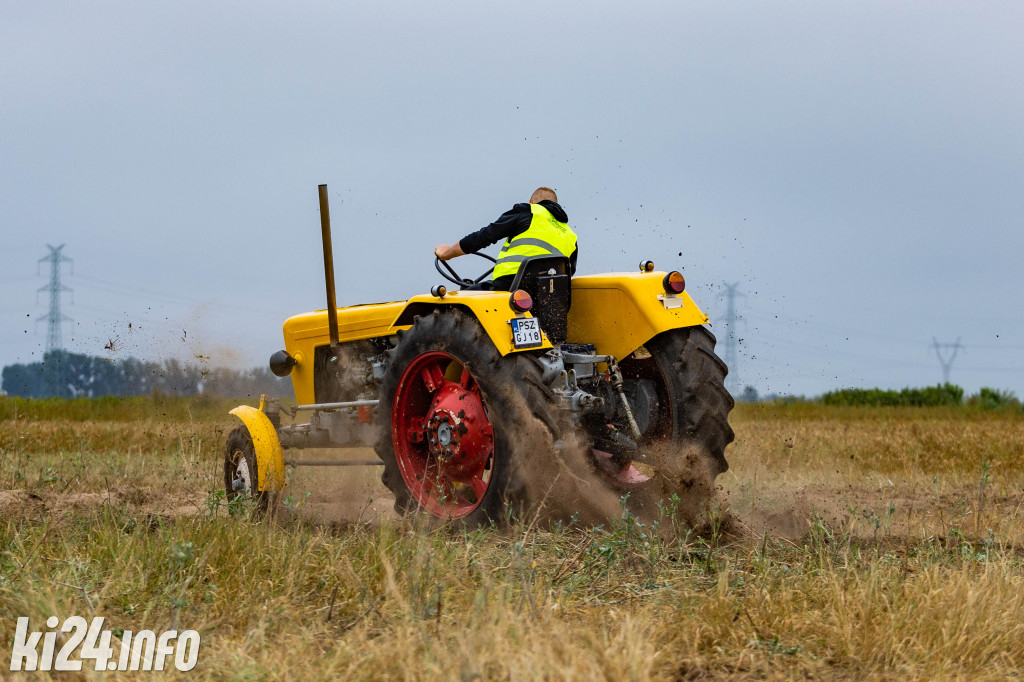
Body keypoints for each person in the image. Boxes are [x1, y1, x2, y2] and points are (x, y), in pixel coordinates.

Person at [434, 187, 578, 291]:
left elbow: (484, 236)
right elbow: (569, 272)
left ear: (531, 201)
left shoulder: (529, 211)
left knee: (458, 302)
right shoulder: (570, 234)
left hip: (510, 287)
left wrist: (447, 253)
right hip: (550, 296)